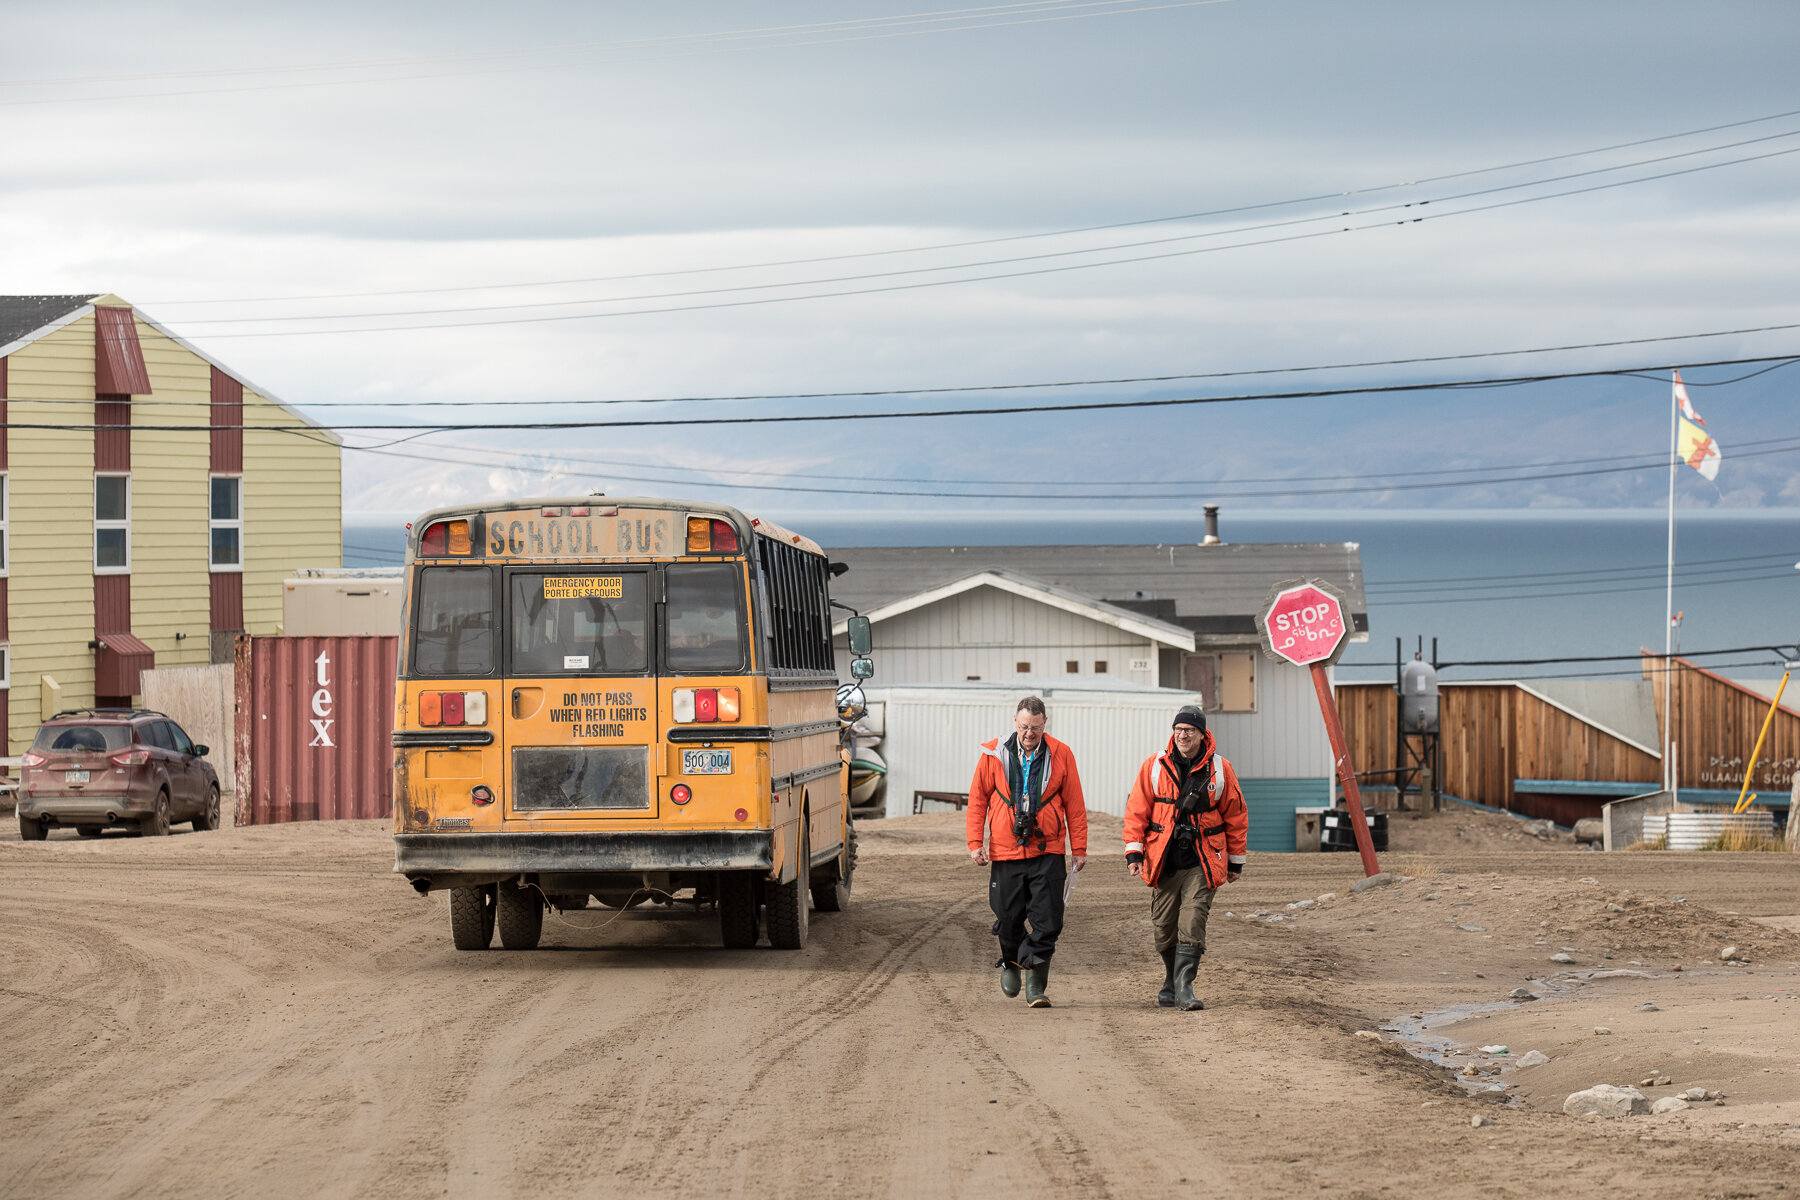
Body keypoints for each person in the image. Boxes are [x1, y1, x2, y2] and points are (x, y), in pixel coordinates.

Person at [1122, 705, 1248, 1011]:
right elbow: (1137, 810)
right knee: (1163, 926)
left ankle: (1185, 986)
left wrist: (1235, 862)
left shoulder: (1221, 768)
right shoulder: (1153, 765)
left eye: (1189, 731)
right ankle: (1170, 980)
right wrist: (1134, 852)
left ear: (1201, 734)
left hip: (1203, 859)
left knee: (1192, 921)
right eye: (1178, 729)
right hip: (1163, 859)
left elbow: (1236, 815)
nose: (1182, 735)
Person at [967, 696, 1088, 1008]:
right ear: (1014, 722)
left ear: (1044, 723)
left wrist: (1080, 848)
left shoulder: (1061, 754)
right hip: (1006, 851)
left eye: (1035, 727)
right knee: (1007, 916)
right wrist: (975, 843)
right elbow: (978, 799)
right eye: (1024, 727)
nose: (1029, 733)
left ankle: (1035, 984)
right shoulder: (993, 754)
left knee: (1049, 921)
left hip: (1047, 850)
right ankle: (1011, 962)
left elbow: (1074, 804)